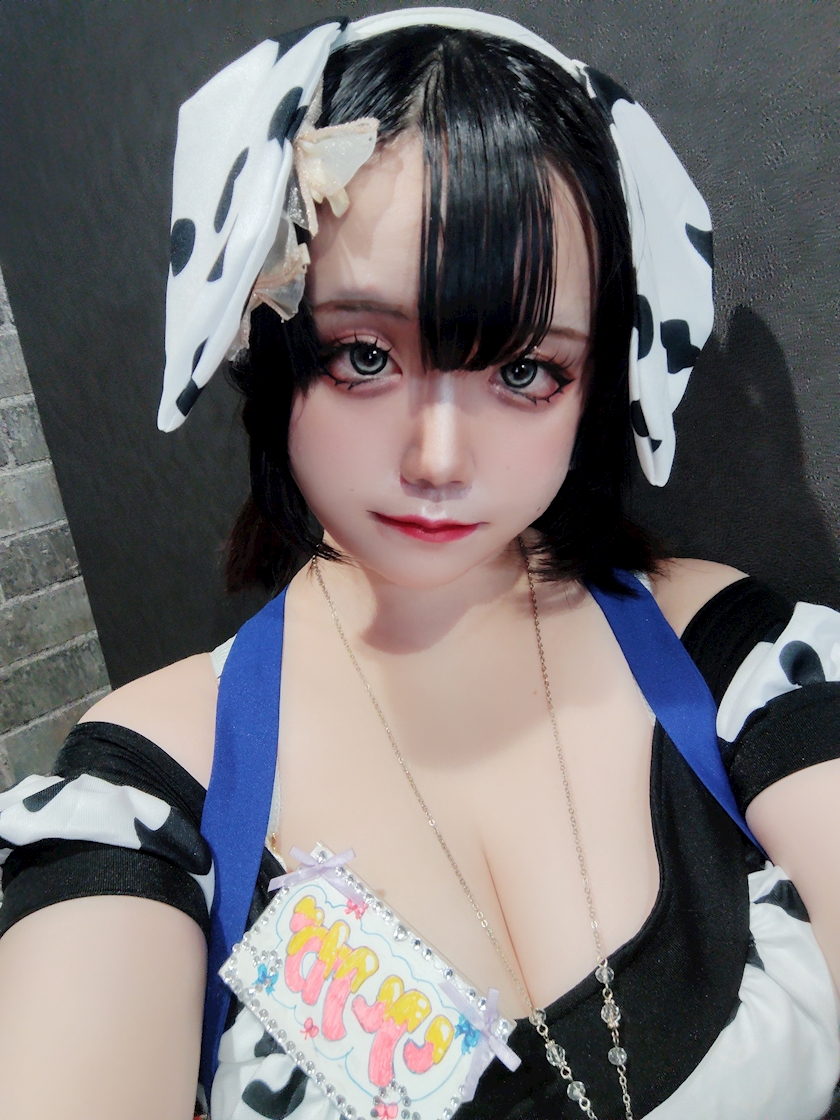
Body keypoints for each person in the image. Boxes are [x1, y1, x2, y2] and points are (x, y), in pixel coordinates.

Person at [0, 9, 839, 1120]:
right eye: (363, 354)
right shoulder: (151, 789)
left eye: (526, 369)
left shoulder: (737, 664)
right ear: (268, 341)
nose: (438, 459)